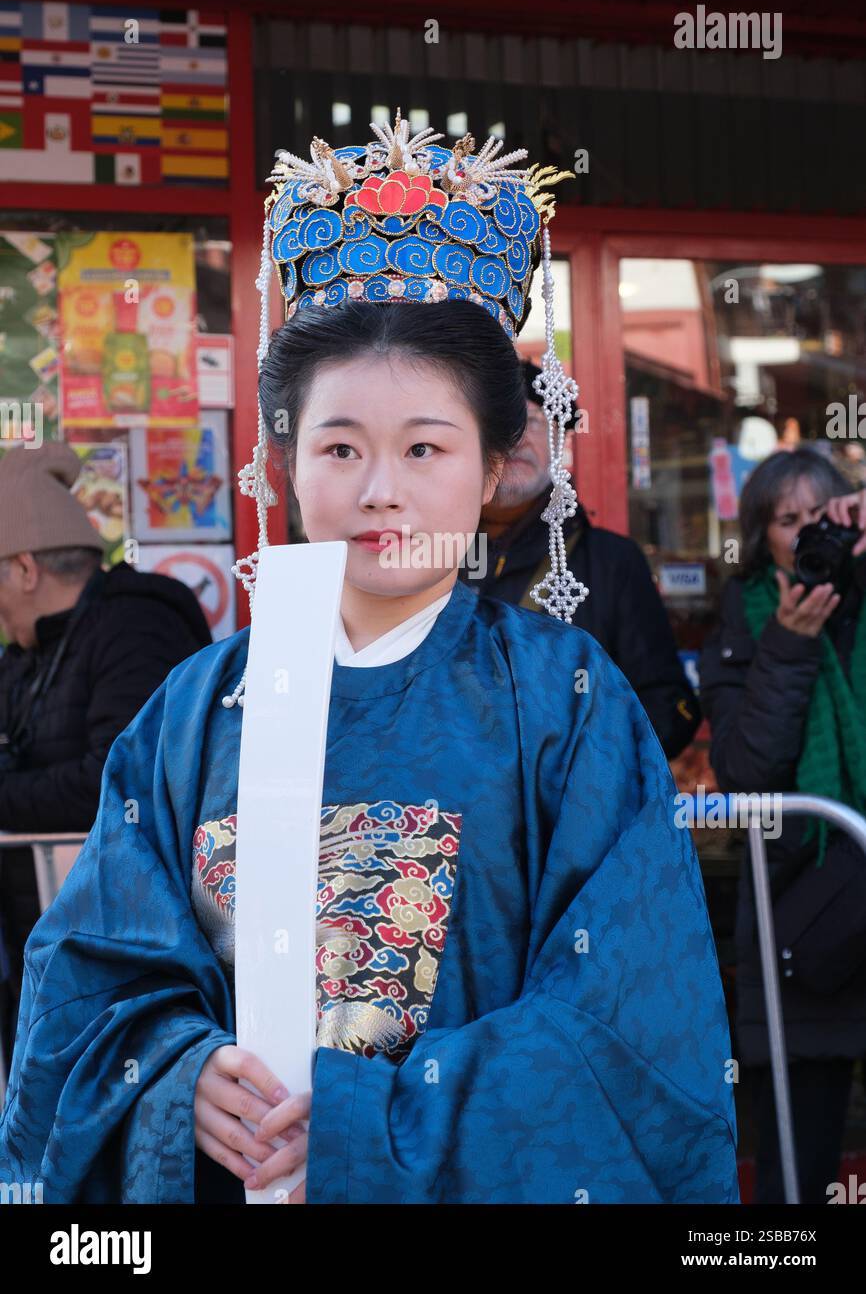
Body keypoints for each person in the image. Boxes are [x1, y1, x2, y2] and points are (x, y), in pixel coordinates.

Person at [0, 114, 738, 1204]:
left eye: (425, 448)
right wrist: (175, 1074)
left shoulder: (564, 702)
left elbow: (624, 1027)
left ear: (493, 469)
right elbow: (87, 976)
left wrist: (360, 1126)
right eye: (339, 445)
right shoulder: (196, 705)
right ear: (285, 461)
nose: (378, 487)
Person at [0, 441, 213, 1063]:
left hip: (120, 946)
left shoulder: (136, 625)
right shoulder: (27, 651)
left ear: (24, 569)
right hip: (41, 938)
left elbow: (116, 780)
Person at [699, 446, 866, 1204]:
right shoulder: (747, 619)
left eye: (821, 519)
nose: (807, 537)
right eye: (786, 522)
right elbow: (744, 772)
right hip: (804, 920)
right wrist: (790, 648)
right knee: (796, 1175)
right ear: (761, 534)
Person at [460, 357, 701, 759]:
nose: (517, 438)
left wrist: (581, 777)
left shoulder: (612, 562)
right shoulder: (428, 556)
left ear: (559, 439)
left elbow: (668, 707)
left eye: (534, 422)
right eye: (503, 423)